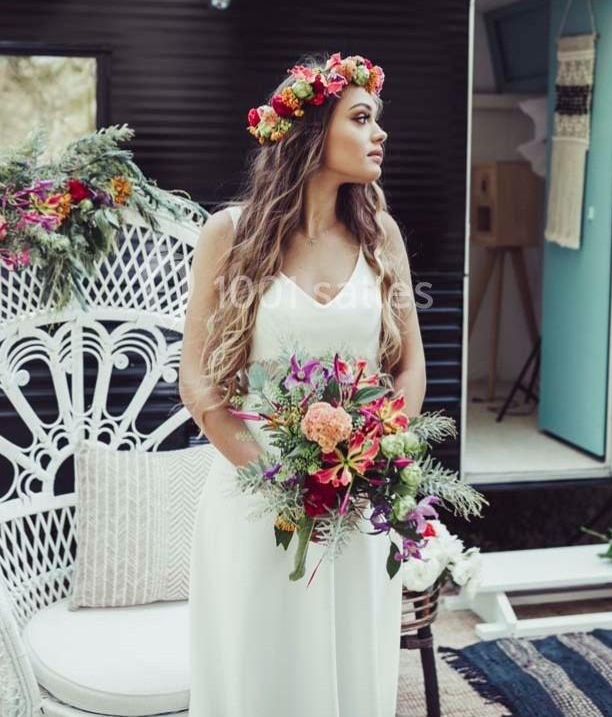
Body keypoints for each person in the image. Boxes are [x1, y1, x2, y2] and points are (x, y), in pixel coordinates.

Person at [179, 51, 427, 716]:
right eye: (362, 118)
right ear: (313, 131)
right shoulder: (227, 236)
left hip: (355, 505)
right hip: (257, 500)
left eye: (377, 121)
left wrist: (366, 463)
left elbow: (409, 368)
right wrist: (284, 486)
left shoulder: (382, 237)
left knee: (351, 672)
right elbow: (197, 381)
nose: (380, 135)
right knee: (262, 673)